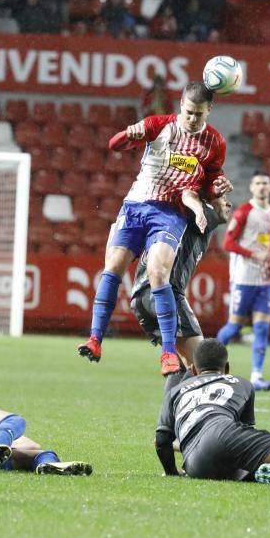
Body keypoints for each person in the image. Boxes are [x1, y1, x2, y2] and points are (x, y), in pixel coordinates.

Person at [77, 81, 227, 376]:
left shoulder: (215, 143)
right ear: (181, 105)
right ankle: (95, 339)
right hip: (135, 205)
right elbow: (114, 145)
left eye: (199, 114)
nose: (192, 119)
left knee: (159, 272)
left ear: (210, 110)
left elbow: (209, 181)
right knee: (114, 265)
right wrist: (127, 134)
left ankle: (168, 353)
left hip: (170, 211)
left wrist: (218, 190)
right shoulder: (160, 125)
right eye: (188, 112)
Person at [154, 338, 270, 485]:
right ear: (226, 368)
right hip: (225, 433)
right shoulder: (242, 383)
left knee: (232, 464)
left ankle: (260, 475)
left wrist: (172, 473)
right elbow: (242, 429)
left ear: (194, 370)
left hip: (195, 464)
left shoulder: (176, 391)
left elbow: (161, 440)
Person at [131, 190, 233, 371]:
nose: (229, 204)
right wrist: (209, 186)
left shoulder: (182, 220)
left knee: (179, 370)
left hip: (143, 295)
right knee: (204, 366)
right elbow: (189, 192)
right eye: (224, 198)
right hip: (164, 295)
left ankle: (171, 400)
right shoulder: (201, 213)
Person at [216, 171, 270, 391]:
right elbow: (228, 243)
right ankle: (209, 368)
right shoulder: (244, 212)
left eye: (266, 182)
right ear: (252, 188)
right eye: (258, 183)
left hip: (264, 280)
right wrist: (255, 255)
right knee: (233, 327)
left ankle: (257, 375)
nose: (262, 186)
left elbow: (266, 244)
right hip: (243, 277)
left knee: (262, 328)